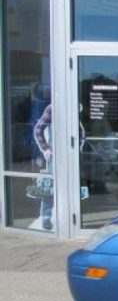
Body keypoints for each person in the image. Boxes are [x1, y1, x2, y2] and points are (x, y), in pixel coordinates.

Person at [32, 84, 54, 230]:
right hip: (55, 155)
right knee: (49, 187)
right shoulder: (51, 108)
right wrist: (45, 149)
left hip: (71, 156)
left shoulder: (73, 106)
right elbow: (38, 129)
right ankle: (46, 217)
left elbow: (80, 130)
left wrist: (79, 147)